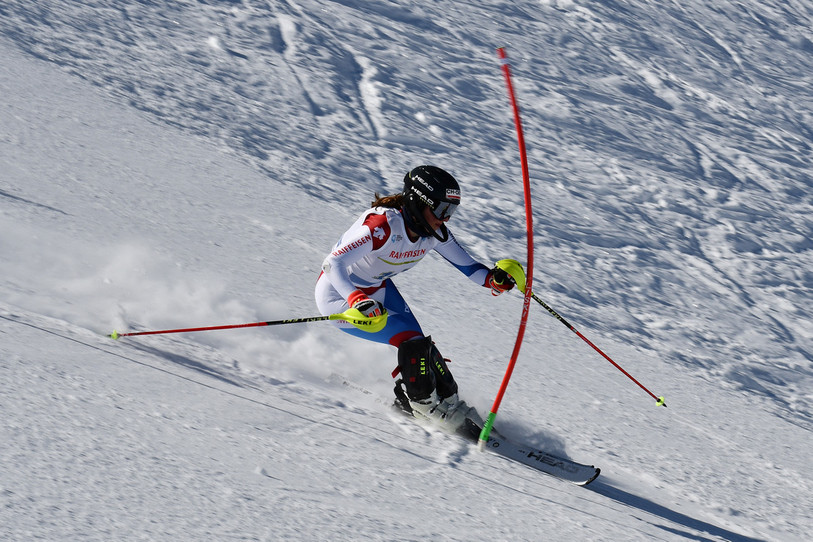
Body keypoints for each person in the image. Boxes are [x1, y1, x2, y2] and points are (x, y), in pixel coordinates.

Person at [315, 165, 515, 430]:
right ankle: (423, 405)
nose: (445, 219)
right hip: (338, 296)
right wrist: (355, 298)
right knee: (413, 344)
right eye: (441, 209)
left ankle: (451, 402)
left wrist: (494, 280)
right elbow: (332, 263)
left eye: (451, 211)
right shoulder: (383, 227)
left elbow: (470, 268)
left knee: (423, 349)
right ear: (418, 202)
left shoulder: (434, 234)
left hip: (377, 289)